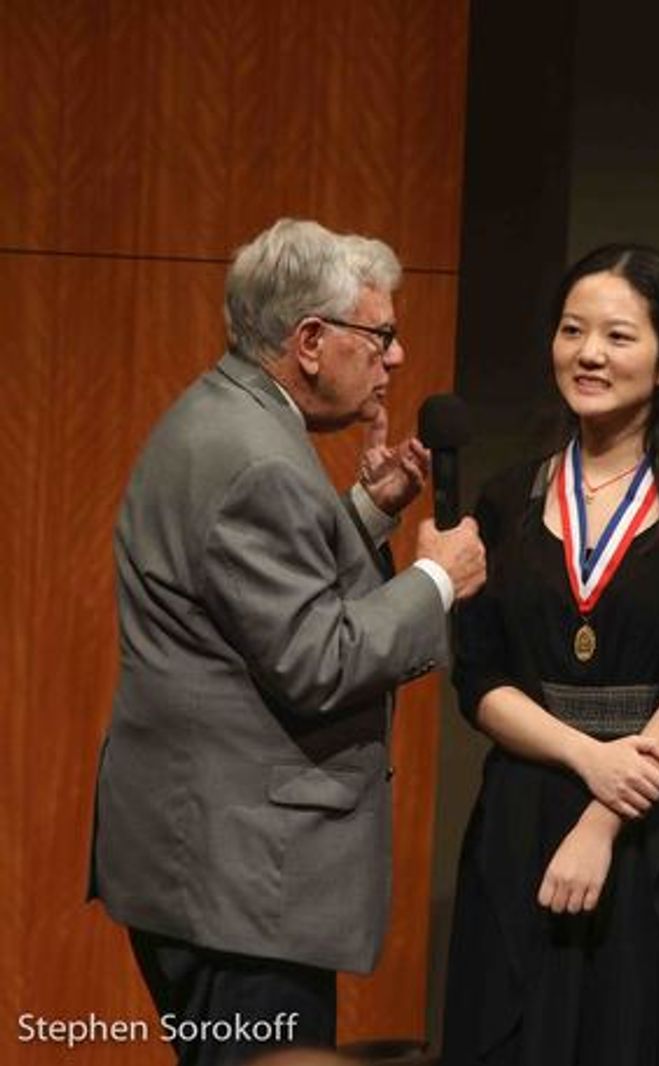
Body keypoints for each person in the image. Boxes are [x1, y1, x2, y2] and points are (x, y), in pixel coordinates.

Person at [88, 219, 487, 1065]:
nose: (395, 358)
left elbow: (255, 598)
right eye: (379, 334)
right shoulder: (259, 460)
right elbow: (318, 660)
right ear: (309, 341)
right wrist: (436, 580)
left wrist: (366, 514)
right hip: (241, 885)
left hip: (208, 866)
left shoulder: (224, 414)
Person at [440, 244, 659, 1066]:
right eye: (571, 330)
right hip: (527, 812)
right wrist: (588, 760)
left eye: (618, 336)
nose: (588, 354)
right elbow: (480, 680)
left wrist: (603, 817)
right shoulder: (507, 497)